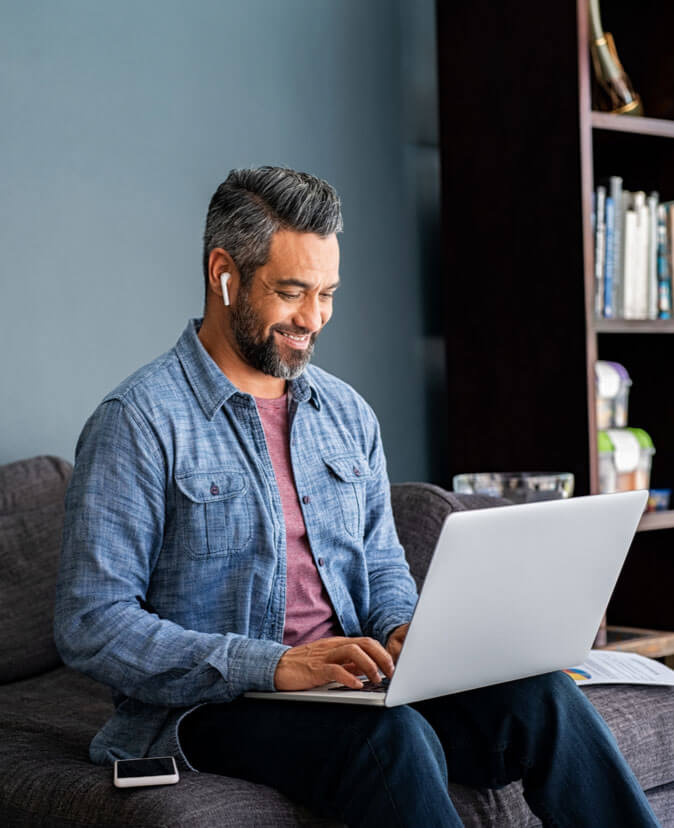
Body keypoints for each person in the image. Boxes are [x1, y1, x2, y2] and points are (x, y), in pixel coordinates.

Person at [54, 166, 659, 827]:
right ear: (223, 273)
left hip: (350, 690)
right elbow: (93, 625)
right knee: (390, 740)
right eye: (291, 292)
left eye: (328, 293)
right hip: (213, 708)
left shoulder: (344, 413)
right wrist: (276, 665)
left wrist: (404, 632)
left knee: (544, 697)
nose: (313, 318)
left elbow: (378, 566)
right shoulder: (139, 420)